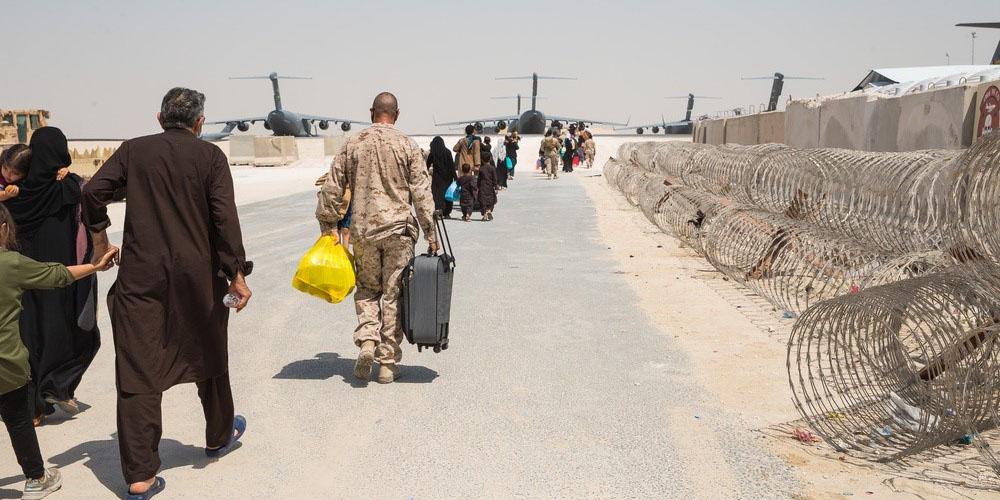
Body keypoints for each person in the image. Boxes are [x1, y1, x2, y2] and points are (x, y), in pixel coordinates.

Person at [82, 88, 251, 498]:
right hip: (198, 277)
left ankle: (140, 474)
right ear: (199, 123)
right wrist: (237, 273)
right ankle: (217, 436)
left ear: (160, 118)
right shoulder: (210, 157)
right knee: (209, 352)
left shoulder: (134, 151)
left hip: (142, 278)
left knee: (139, 368)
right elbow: (224, 219)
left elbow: (90, 192)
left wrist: (101, 240)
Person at [316, 92, 438, 384]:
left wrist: (328, 225)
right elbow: (422, 193)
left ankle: (368, 340)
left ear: (372, 112)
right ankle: (386, 363)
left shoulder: (353, 143)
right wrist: (431, 233)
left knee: (368, 289)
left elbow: (332, 187)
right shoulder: (407, 145)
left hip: (364, 231)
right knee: (394, 294)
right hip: (399, 232)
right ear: (397, 114)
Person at [0, 203, 118, 499]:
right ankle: (37, 479)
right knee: (17, 420)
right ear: (3, 228)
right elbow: (57, 275)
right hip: (6, 365)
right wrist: (94, 266)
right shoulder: (10, 263)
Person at [2, 128, 100, 425]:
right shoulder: (67, 188)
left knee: (27, 336)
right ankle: (56, 387)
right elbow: (90, 196)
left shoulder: (14, 195)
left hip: (21, 278)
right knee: (70, 334)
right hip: (60, 279)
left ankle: (32, 408)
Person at [426, 136, 458, 218]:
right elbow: (452, 166)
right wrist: (456, 177)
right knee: (447, 194)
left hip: (437, 178)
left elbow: (427, 165)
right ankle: (447, 212)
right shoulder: (447, 152)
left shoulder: (433, 153)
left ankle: (438, 210)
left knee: (437, 195)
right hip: (448, 178)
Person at [478, 143, 498, 221]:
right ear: (490, 159)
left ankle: (484, 214)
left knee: (482, 201)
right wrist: (496, 186)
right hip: (490, 187)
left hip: (482, 187)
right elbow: (495, 178)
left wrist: (478, 186)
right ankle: (489, 210)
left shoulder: (481, 169)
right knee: (491, 199)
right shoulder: (492, 168)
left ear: (482, 160)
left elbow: (479, 179)